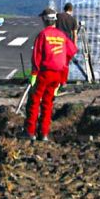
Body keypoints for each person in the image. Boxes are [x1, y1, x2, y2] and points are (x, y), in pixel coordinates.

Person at [24, 8, 77, 142]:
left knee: (35, 101)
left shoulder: (43, 35)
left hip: (44, 73)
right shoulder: (61, 35)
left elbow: (37, 56)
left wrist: (34, 74)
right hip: (58, 74)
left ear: (44, 20)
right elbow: (71, 51)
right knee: (48, 103)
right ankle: (44, 133)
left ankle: (30, 132)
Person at [55, 3, 79, 93]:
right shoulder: (73, 20)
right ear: (71, 10)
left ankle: (55, 81)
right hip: (67, 43)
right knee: (65, 64)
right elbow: (74, 35)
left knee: (56, 62)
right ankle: (63, 81)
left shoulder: (58, 16)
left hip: (57, 41)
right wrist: (74, 46)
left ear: (64, 8)